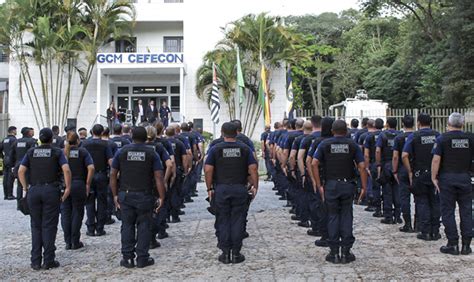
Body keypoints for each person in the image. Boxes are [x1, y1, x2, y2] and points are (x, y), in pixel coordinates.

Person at [311, 120, 368, 264]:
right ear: (346, 131)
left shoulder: (325, 144)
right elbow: (362, 166)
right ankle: (346, 252)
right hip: (348, 184)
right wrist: (364, 187)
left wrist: (319, 185)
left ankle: (334, 252)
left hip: (331, 185)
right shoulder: (352, 145)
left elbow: (313, 163)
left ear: (332, 130)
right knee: (347, 215)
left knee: (333, 216)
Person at [110, 126, 166, 269]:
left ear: (131, 136)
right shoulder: (152, 153)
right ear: (146, 138)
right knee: (144, 226)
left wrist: (115, 194)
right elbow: (158, 176)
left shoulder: (122, 152)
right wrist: (162, 196)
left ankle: (127, 258)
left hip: (126, 193)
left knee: (127, 225)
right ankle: (142, 258)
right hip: (145, 194)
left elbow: (113, 174)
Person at [18, 128, 72, 270]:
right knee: (49, 225)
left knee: (35, 226)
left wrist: (25, 188)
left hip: (34, 190)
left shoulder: (31, 152)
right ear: (51, 139)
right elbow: (66, 169)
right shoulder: (56, 152)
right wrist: (67, 187)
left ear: (40, 139)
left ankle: (35, 261)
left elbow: (21, 171)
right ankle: (49, 260)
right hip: (50, 190)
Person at [205, 122, 258, 264]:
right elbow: (253, 168)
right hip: (239, 188)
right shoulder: (245, 148)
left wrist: (209, 188)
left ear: (222, 132)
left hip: (221, 188)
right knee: (238, 220)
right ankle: (236, 253)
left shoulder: (215, 149)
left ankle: (225, 252)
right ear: (237, 132)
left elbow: (208, 169)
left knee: (222, 220)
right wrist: (255, 186)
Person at [431, 112, 473, 255]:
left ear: (448, 124)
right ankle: (466, 245)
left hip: (447, 178)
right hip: (465, 178)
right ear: (462, 124)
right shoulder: (470, 138)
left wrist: (433, 177)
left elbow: (436, 160)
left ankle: (452, 244)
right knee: (466, 211)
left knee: (448, 211)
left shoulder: (442, 139)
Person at [402, 113, 441, 241]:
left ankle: (425, 231)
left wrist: (410, 171)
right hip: (435, 173)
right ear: (431, 122)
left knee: (422, 202)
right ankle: (435, 231)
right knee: (435, 202)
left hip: (420, 173)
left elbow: (404, 155)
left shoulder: (414, 136)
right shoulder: (438, 135)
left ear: (418, 123)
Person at [61, 132, 95, 250]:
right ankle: (75, 241)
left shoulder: (62, 152)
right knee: (77, 212)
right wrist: (87, 183)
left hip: (65, 185)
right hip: (78, 184)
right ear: (78, 141)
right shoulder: (83, 152)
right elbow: (91, 168)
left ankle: (67, 241)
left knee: (65, 213)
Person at [82, 124, 113, 237]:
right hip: (101, 175)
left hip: (88, 175)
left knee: (89, 201)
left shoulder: (85, 143)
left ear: (91, 132)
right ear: (102, 133)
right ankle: (100, 228)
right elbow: (110, 161)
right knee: (102, 202)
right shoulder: (106, 144)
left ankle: (90, 227)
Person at [392, 115, 416, 233]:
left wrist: (394, 171)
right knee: (419, 198)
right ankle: (419, 223)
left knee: (404, 197)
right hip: (416, 169)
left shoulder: (399, 138)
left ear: (402, 124)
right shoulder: (416, 136)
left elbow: (396, 156)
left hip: (402, 170)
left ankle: (408, 224)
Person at [376, 117, 401, 224]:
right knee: (397, 191)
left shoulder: (383, 135)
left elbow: (378, 150)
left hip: (386, 164)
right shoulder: (400, 135)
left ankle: (388, 216)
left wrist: (378, 165)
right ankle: (398, 215)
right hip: (398, 165)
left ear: (387, 124)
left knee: (387, 191)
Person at [165, 126, 189, 223]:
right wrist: (185, 170)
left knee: (165, 194)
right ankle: (175, 216)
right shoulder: (179, 143)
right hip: (177, 169)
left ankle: (165, 217)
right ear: (175, 133)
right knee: (175, 192)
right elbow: (185, 158)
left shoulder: (162, 143)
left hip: (164, 170)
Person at [10, 127, 37, 209]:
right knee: (30, 184)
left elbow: (12, 155)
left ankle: (19, 204)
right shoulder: (32, 141)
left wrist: (12, 165)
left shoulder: (16, 142)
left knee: (19, 185)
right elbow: (33, 153)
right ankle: (28, 204)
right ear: (28, 133)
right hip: (28, 165)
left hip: (18, 165)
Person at [363, 119, 384, 217]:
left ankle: (377, 208)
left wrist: (366, 166)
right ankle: (389, 210)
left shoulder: (369, 136)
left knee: (375, 187)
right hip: (384, 163)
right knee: (386, 188)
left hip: (374, 163)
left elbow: (366, 154)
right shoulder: (386, 135)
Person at [0, 126, 17, 200]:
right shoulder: (14, 140)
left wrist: (3, 156)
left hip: (5, 159)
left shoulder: (4, 140)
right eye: (15, 131)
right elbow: (15, 151)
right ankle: (10, 194)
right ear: (13, 131)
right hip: (11, 160)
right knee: (10, 177)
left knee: (5, 177)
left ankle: (5, 195)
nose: (16, 132)